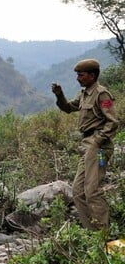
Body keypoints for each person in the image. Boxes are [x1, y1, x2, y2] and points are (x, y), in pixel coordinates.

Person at [51, 58, 119, 231]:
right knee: (78, 192)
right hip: (87, 146)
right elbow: (68, 108)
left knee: (92, 191)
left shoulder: (102, 94)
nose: (77, 78)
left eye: (81, 75)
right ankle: (92, 233)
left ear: (92, 75)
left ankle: (102, 236)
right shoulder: (84, 94)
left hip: (98, 148)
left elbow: (113, 122)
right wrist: (59, 95)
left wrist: (97, 141)